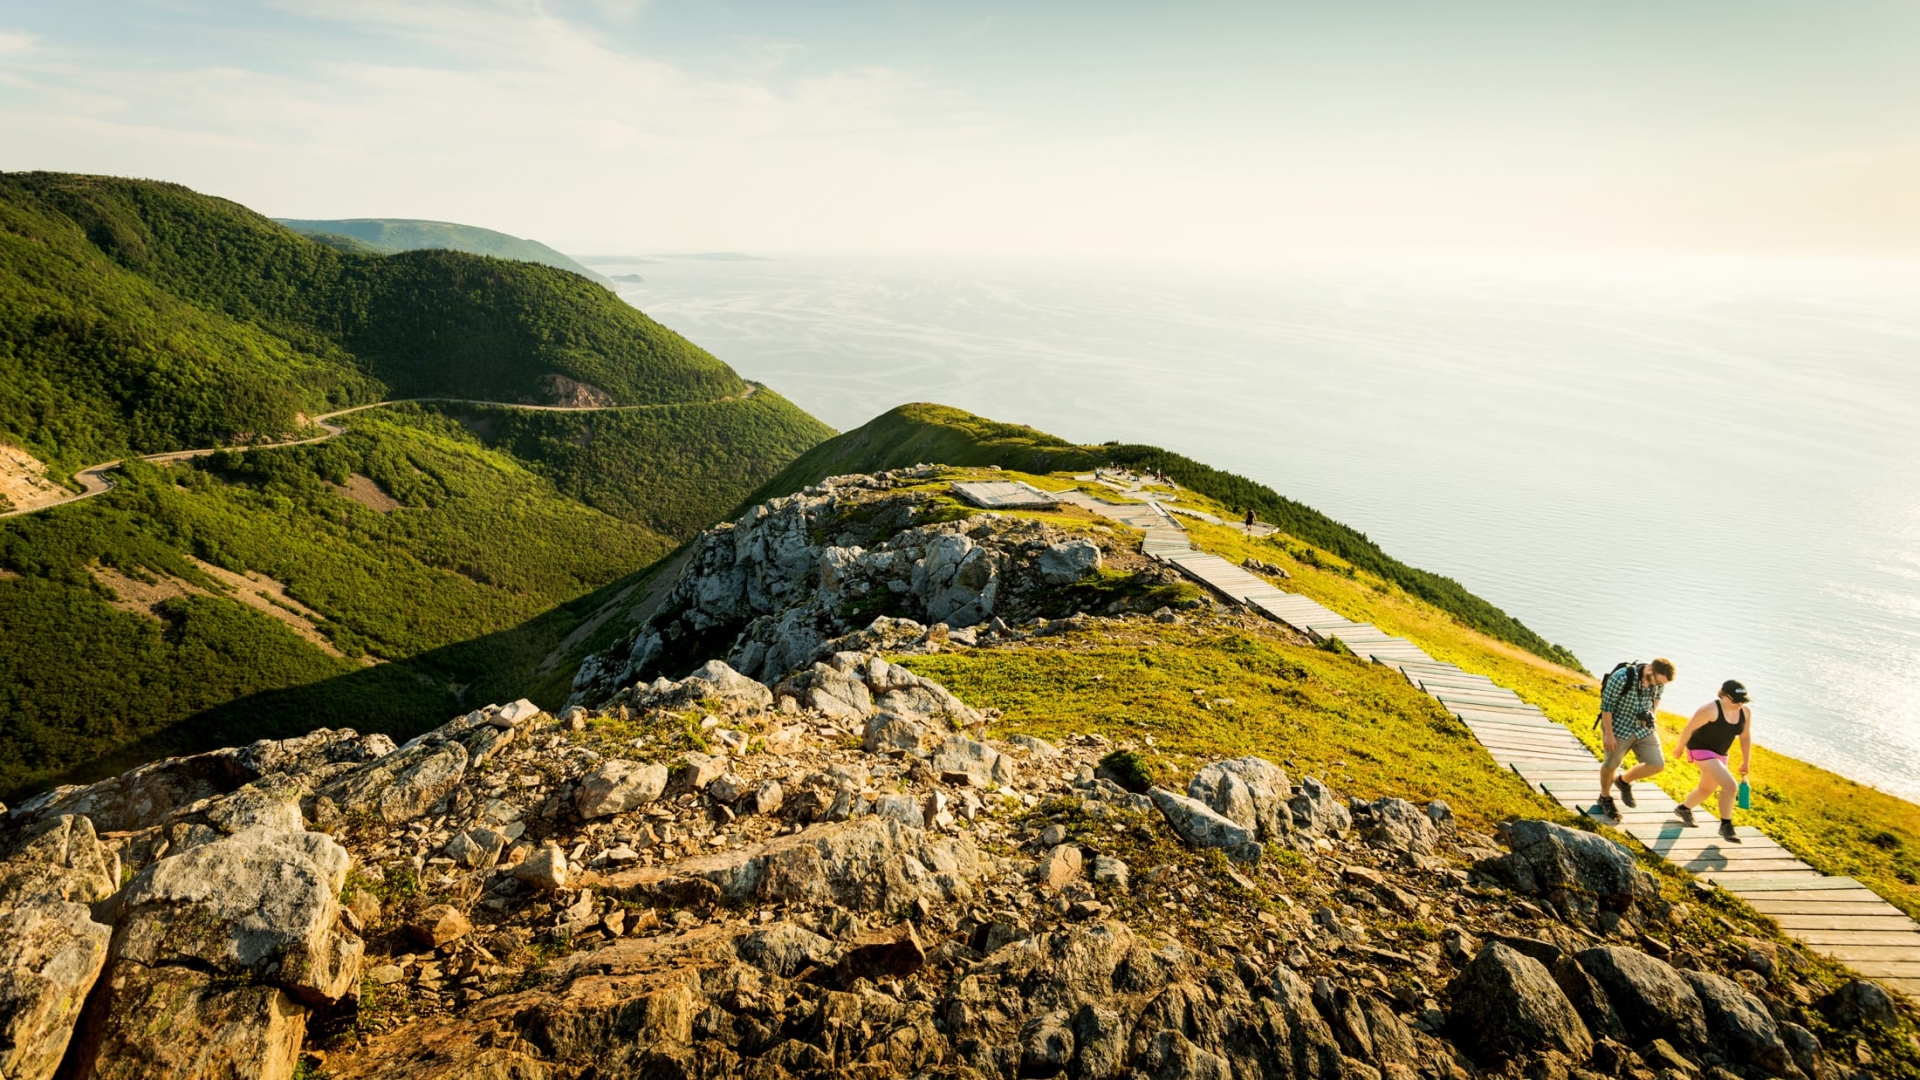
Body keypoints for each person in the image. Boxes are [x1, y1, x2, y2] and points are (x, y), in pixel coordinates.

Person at [1672, 680, 1753, 841]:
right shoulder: (1709, 710)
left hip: (1720, 754)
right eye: (1736, 699)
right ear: (1724, 696)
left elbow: (1745, 736)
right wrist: (1680, 747)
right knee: (1730, 786)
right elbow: (1689, 728)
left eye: (1743, 700)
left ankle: (1684, 809)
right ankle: (1726, 825)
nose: (1740, 703)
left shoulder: (1745, 712)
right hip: (1699, 749)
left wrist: (1746, 761)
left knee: (1706, 789)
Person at [1597, 657, 1676, 821]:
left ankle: (1623, 782)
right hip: (1619, 725)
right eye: (1657, 681)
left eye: (1661, 684)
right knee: (1611, 765)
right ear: (1649, 670)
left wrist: (1652, 714)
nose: (1658, 685)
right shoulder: (1621, 678)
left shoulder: (1659, 682)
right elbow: (1606, 707)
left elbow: (1657, 698)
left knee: (1657, 764)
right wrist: (1609, 734)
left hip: (1643, 728)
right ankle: (1604, 797)